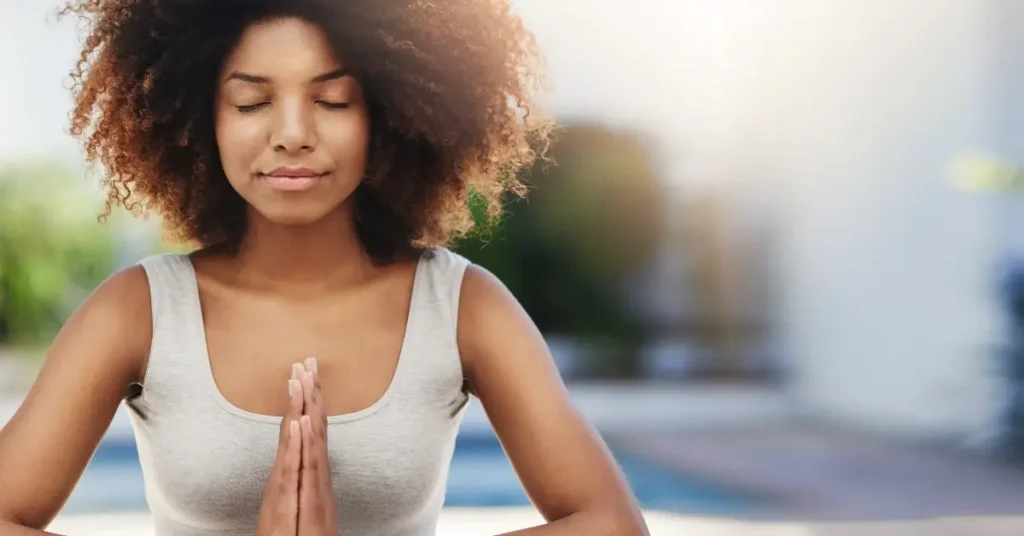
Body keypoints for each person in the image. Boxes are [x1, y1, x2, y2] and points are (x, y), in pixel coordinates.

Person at [0, 1, 649, 535]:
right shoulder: (139, 311)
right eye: (252, 102)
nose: (291, 133)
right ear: (202, 119)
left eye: (333, 100)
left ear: (388, 116)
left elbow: (612, 524)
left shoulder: (461, 307)